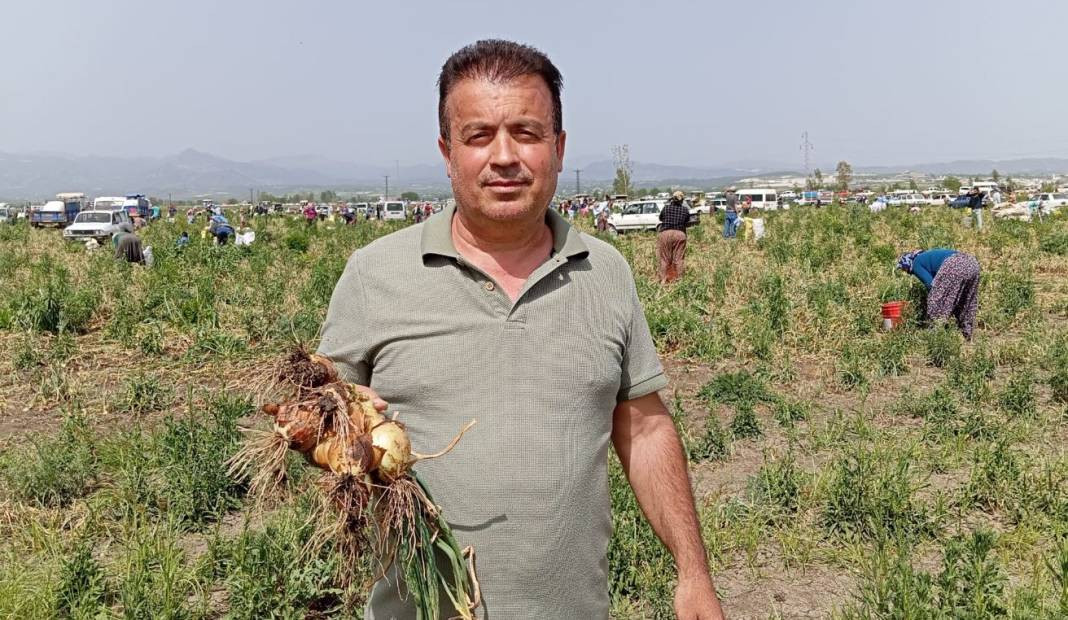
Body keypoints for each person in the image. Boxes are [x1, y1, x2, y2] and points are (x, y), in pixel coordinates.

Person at [316, 39, 723, 620]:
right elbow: (315, 410)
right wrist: (333, 420)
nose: (504, 156)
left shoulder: (605, 272)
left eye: (527, 134)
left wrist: (693, 573)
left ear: (558, 149)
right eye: (478, 135)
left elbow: (646, 429)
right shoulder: (374, 275)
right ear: (447, 152)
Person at [897, 248, 981, 340]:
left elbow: (931, 285)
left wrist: (932, 300)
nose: (906, 272)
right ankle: (967, 334)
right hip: (972, 264)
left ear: (907, 262)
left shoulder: (916, 263)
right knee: (967, 300)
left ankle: (934, 334)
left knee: (936, 299)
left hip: (954, 265)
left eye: (904, 268)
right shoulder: (927, 256)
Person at [657, 191, 691, 283]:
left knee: (664, 258)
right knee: (679, 258)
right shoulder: (685, 210)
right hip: (680, 234)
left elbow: (660, 218)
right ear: (682, 200)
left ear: (672, 199)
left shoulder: (666, 208)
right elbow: (687, 221)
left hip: (665, 233)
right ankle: (679, 280)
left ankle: (663, 280)